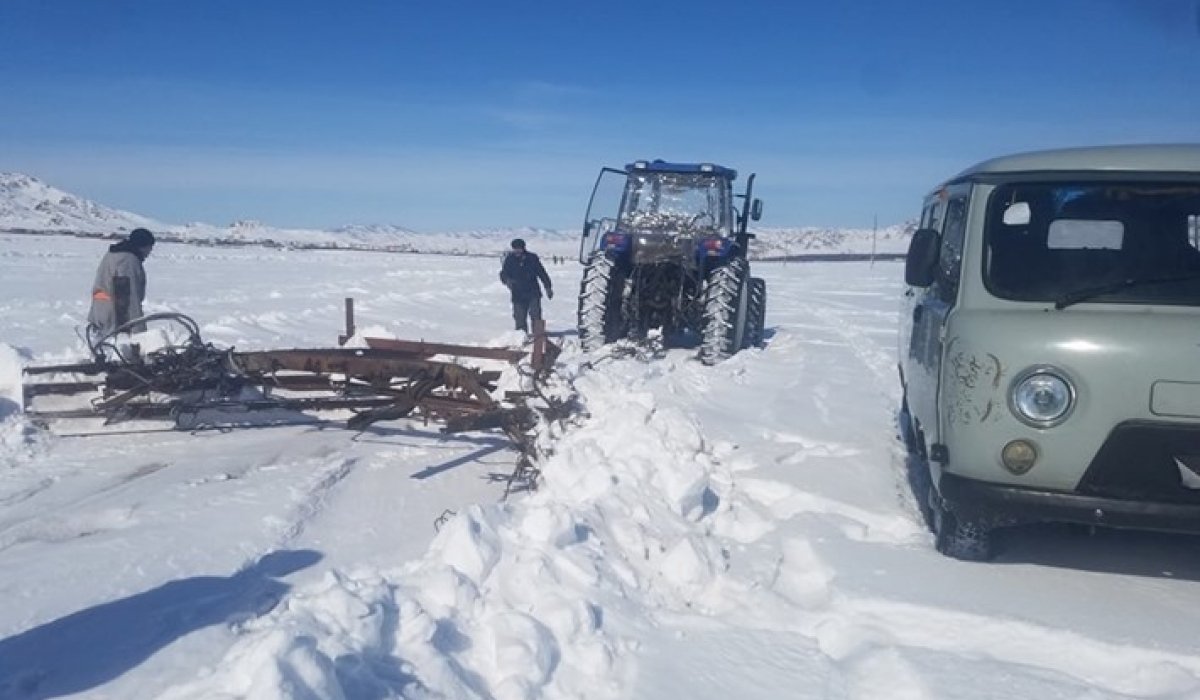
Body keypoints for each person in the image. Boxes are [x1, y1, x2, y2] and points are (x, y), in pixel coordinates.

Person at [88, 228, 155, 340]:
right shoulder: (128, 261)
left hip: (100, 311)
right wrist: (140, 333)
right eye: (150, 247)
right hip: (113, 317)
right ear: (142, 246)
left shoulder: (113, 254)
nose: (150, 252)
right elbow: (129, 297)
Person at [499, 238, 552, 333]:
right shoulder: (510, 259)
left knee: (536, 316)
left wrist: (548, 287)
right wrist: (507, 281)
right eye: (515, 248)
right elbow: (504, 273)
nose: (517, 250)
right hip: (517, 293)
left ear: (523, 248)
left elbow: (542, 273)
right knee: (519, 317)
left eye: (519, 248)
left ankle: (538, 336)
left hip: (533, 292)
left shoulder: (532, 258)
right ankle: (521, 337)